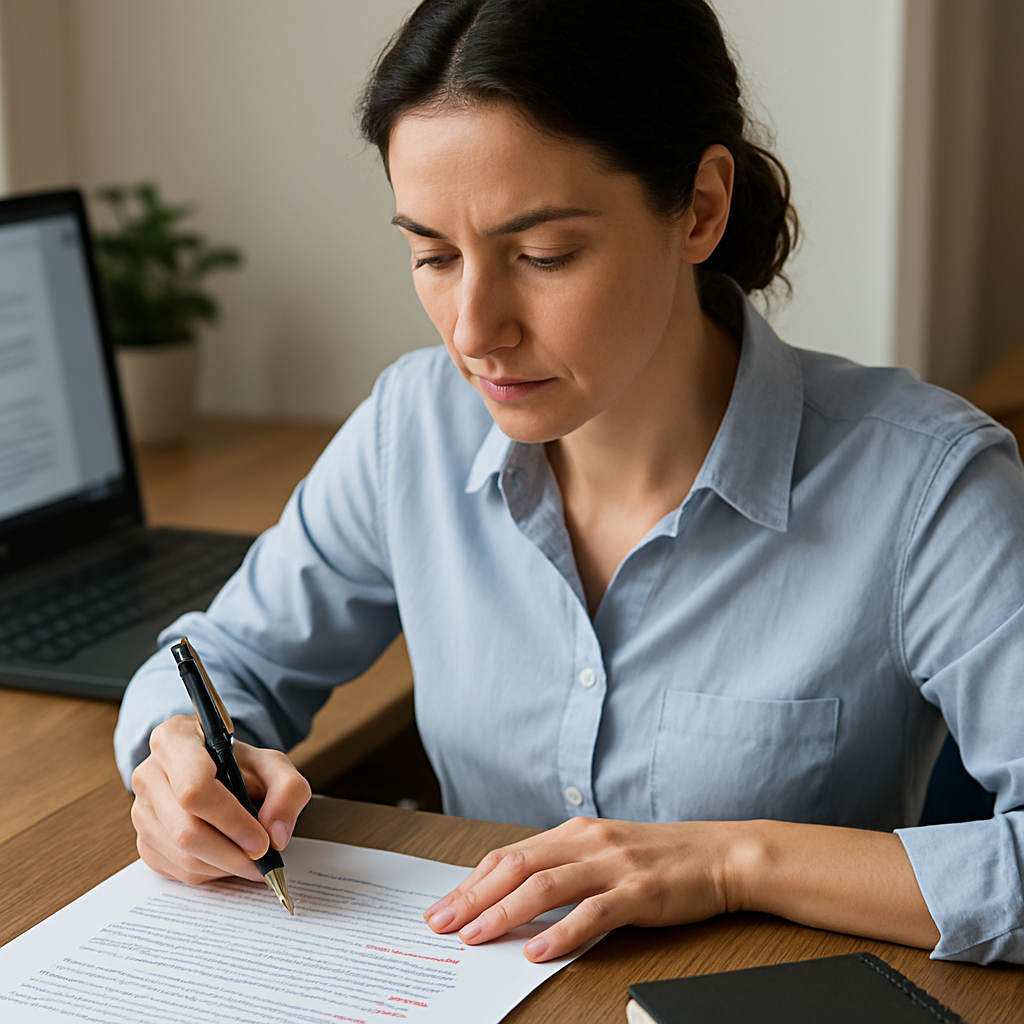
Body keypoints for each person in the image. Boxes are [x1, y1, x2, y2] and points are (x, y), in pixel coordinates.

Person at [115, 0, 1024, 966]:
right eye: (431, 253)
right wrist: (179, 766)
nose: (473, 329)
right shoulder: (410, 429)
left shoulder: (928, 485)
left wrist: (729, 863)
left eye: (543, 256)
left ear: (702, 208)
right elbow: (222, 668)